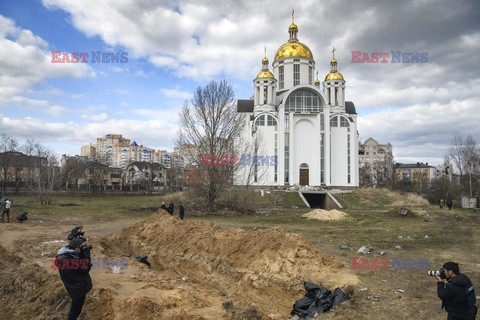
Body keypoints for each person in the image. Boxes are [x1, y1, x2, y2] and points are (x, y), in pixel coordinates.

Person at [56, 238, 93, 320]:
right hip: (78, 288)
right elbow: (85, 268)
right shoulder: (70, 260)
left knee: (75, 307)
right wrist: (86, 255)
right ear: (76, 248)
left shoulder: (63, 256)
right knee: (76, 310)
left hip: (72, 286)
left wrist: (81, 253)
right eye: (80, 247)